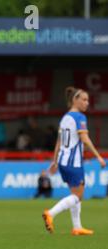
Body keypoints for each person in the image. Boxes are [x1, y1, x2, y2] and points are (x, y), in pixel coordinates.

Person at [43, 87, 106, 236]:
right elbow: (84, 139)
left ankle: (77, 227)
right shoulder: (79, 118)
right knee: (77, 196)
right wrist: (98, 156)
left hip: (64, 161)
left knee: (76, 194)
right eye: (84, 99)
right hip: (73, 162)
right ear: (74, 100)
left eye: (88, 100)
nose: (87, 103)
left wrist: (55, 161)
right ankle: (50, 213)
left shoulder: (65, 118)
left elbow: (59, 141)